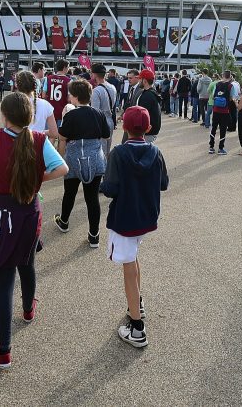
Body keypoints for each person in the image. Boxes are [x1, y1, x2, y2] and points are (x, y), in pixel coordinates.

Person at [0, 93, 69, 370]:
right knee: (27, 261)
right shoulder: (39, 140)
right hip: (29, 211)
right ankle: (29, 309)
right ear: (30, 117)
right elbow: (62, 168)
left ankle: (4, 349)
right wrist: (36, 177)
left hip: (2, 211)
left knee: (4, 279)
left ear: (5, 116)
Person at [101, 106, 168, 347]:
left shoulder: (118, 153)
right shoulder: (156, 151)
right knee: (133, 258)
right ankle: (136, 301)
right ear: (148, 128)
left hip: (124, 218)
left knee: (128, 266)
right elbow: (164, 183)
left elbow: (110, 188)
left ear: (124, 126)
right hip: (146, 216)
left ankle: (137, 328)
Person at [55, 80, 112, 247]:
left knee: (70, 193)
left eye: (70, 95)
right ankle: (94, 235)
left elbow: (62, 138)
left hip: (74, 158)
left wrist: (60, 159)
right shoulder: (99, 113)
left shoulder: (70, 115)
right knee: (92, 197)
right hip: (95, 158)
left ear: (75, 97)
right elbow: (106, 136)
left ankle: (64, 221)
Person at [14, 71, 58, 140]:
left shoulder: (12, 103)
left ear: (16, 85)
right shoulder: (46, 105)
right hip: (38, 144)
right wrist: (40, 132)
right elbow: (54, 133)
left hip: (17, 144)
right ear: (35, 85)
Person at [208, 71, 235, 156]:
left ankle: (211, 147)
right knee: (223, 130)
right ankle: (221, 148)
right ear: (230, 77)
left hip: (216, 110)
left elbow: (212, 96)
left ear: (223, 76)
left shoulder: (217, 84)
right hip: (225, 110)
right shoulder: (231, 86)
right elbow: (232, 97)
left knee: (213, 128)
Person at [42, 59, 72, 126]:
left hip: (50, 112)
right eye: (68, 67)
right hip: (62, 112)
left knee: (50, 134)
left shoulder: (48, 78)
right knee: (60, 134)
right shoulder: (69, 81)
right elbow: (69, 99)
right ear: (64, 68)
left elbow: (43, 95)